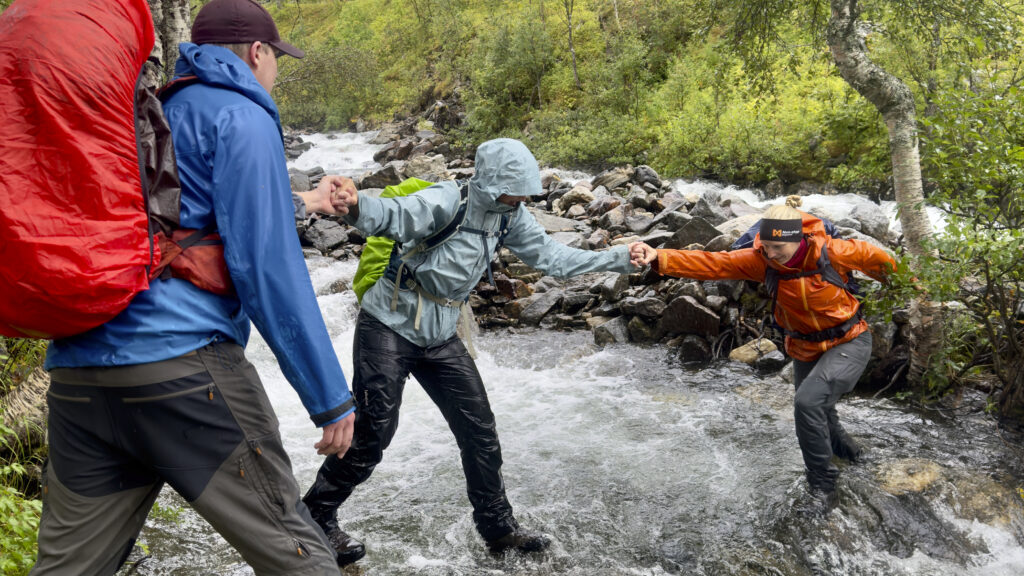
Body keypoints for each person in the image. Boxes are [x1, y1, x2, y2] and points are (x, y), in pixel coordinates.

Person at [33, 1, 355, 574]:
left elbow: (179, 217)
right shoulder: (240, 114)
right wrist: (328, 397)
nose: (276, 70)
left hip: (79, 373)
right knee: (300, 559)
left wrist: (302, 202)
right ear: (257, 54)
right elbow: (266, 267)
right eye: (277, 58)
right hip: (182, 374)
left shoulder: (142, 113)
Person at [302, 138, 648, 563]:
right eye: (514, 188)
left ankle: (499, 529)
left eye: (525, 189)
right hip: (388, 324)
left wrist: (618, 258)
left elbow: (553, 257)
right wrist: (355, 206)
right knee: (375, 433)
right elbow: (394, 216)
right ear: (489, 181)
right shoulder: (449, 201)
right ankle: (315, 516)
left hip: (441, 333)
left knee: (479, 432)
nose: (521, 197)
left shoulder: (510, 215)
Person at [631, 196, 897, 511]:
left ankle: (823, 487)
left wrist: (913, 292)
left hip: (849, 341)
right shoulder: (762, 259)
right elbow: (714, 264)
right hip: (805, 347)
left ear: (798, 241)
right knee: (821, 411)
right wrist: (658, 256)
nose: (771, 254)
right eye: (766, 247)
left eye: (778, 249)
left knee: (807, 403)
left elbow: (883, 263)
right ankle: (857, 458)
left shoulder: (834, 252)